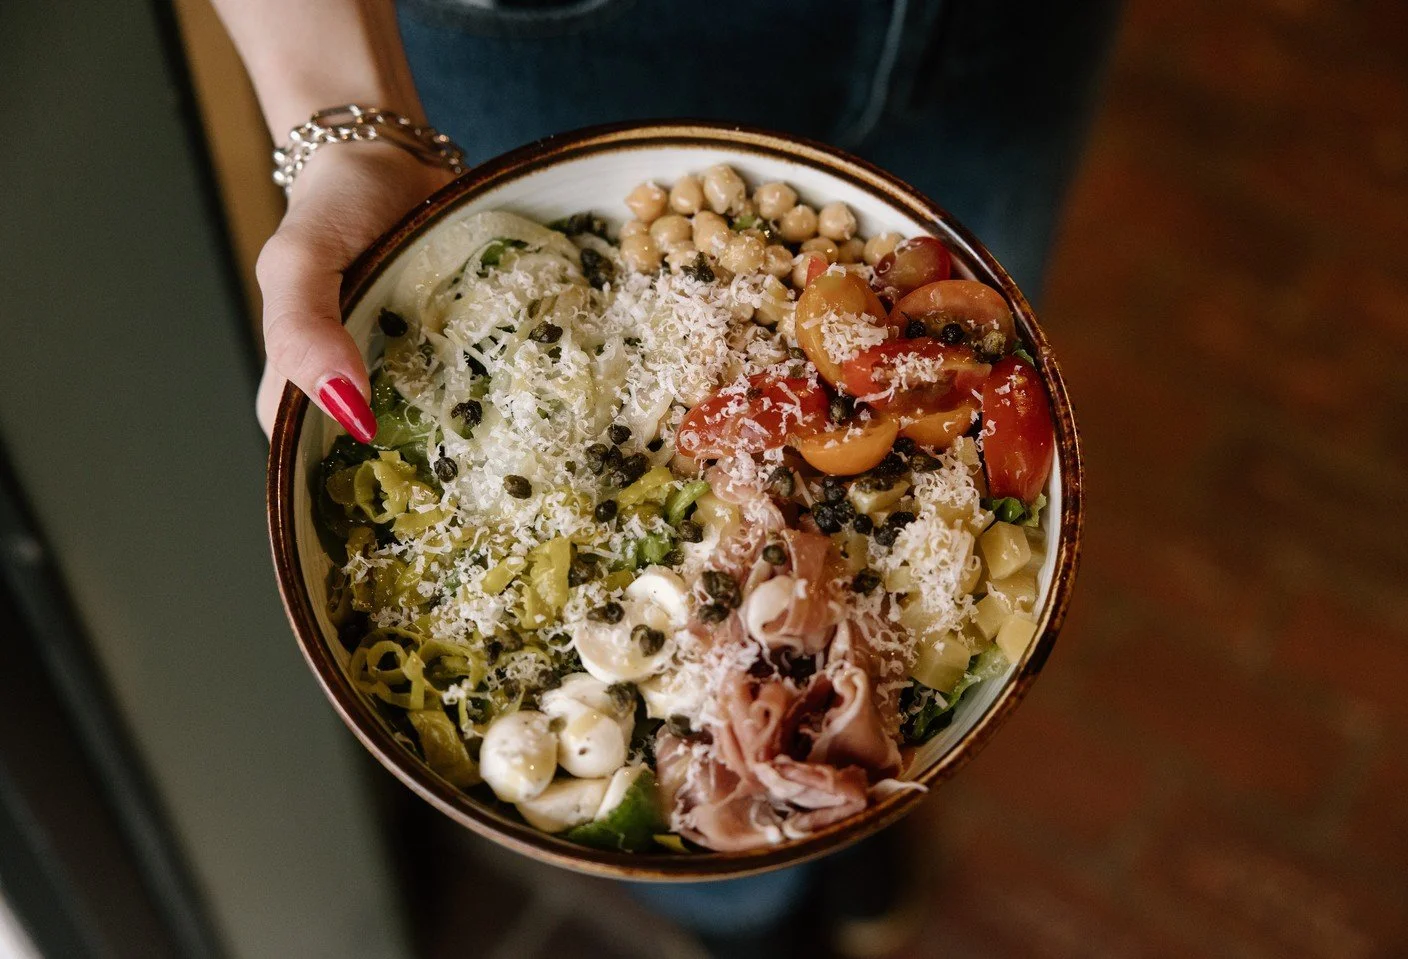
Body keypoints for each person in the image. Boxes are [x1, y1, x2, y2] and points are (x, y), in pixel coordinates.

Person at [214, 0, 1116, 953]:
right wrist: (345, 121)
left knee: (987, 299)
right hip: (568, 38)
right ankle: (748, 903)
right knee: (727, 872)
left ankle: (851, 803)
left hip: (1002, 37)